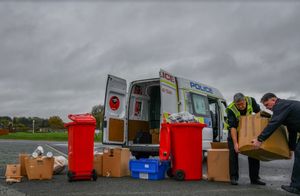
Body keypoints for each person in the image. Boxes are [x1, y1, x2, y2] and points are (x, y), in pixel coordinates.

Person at [252, 93, 300, 195]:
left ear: (274, 100)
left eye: (267, 105)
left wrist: (260, 139)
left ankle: (296, 187)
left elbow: (274, 123)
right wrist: (291, 148)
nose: (268, 108)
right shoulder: (287, 106)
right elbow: (292, 130)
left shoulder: (280, 106)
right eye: (265, 106)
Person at [226, 93, 266, 185]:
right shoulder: (230, 109)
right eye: (238, 105)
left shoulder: (251, 100)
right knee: (233, 153)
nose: (241, 106)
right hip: (236, 131)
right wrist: (236, 144)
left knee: (253, 151)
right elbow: (232, 127)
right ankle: (234, 177)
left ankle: (254, 179)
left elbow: (259, 113)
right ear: (235, 103)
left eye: (242, 103)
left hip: (249, 130)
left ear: (245, 100)